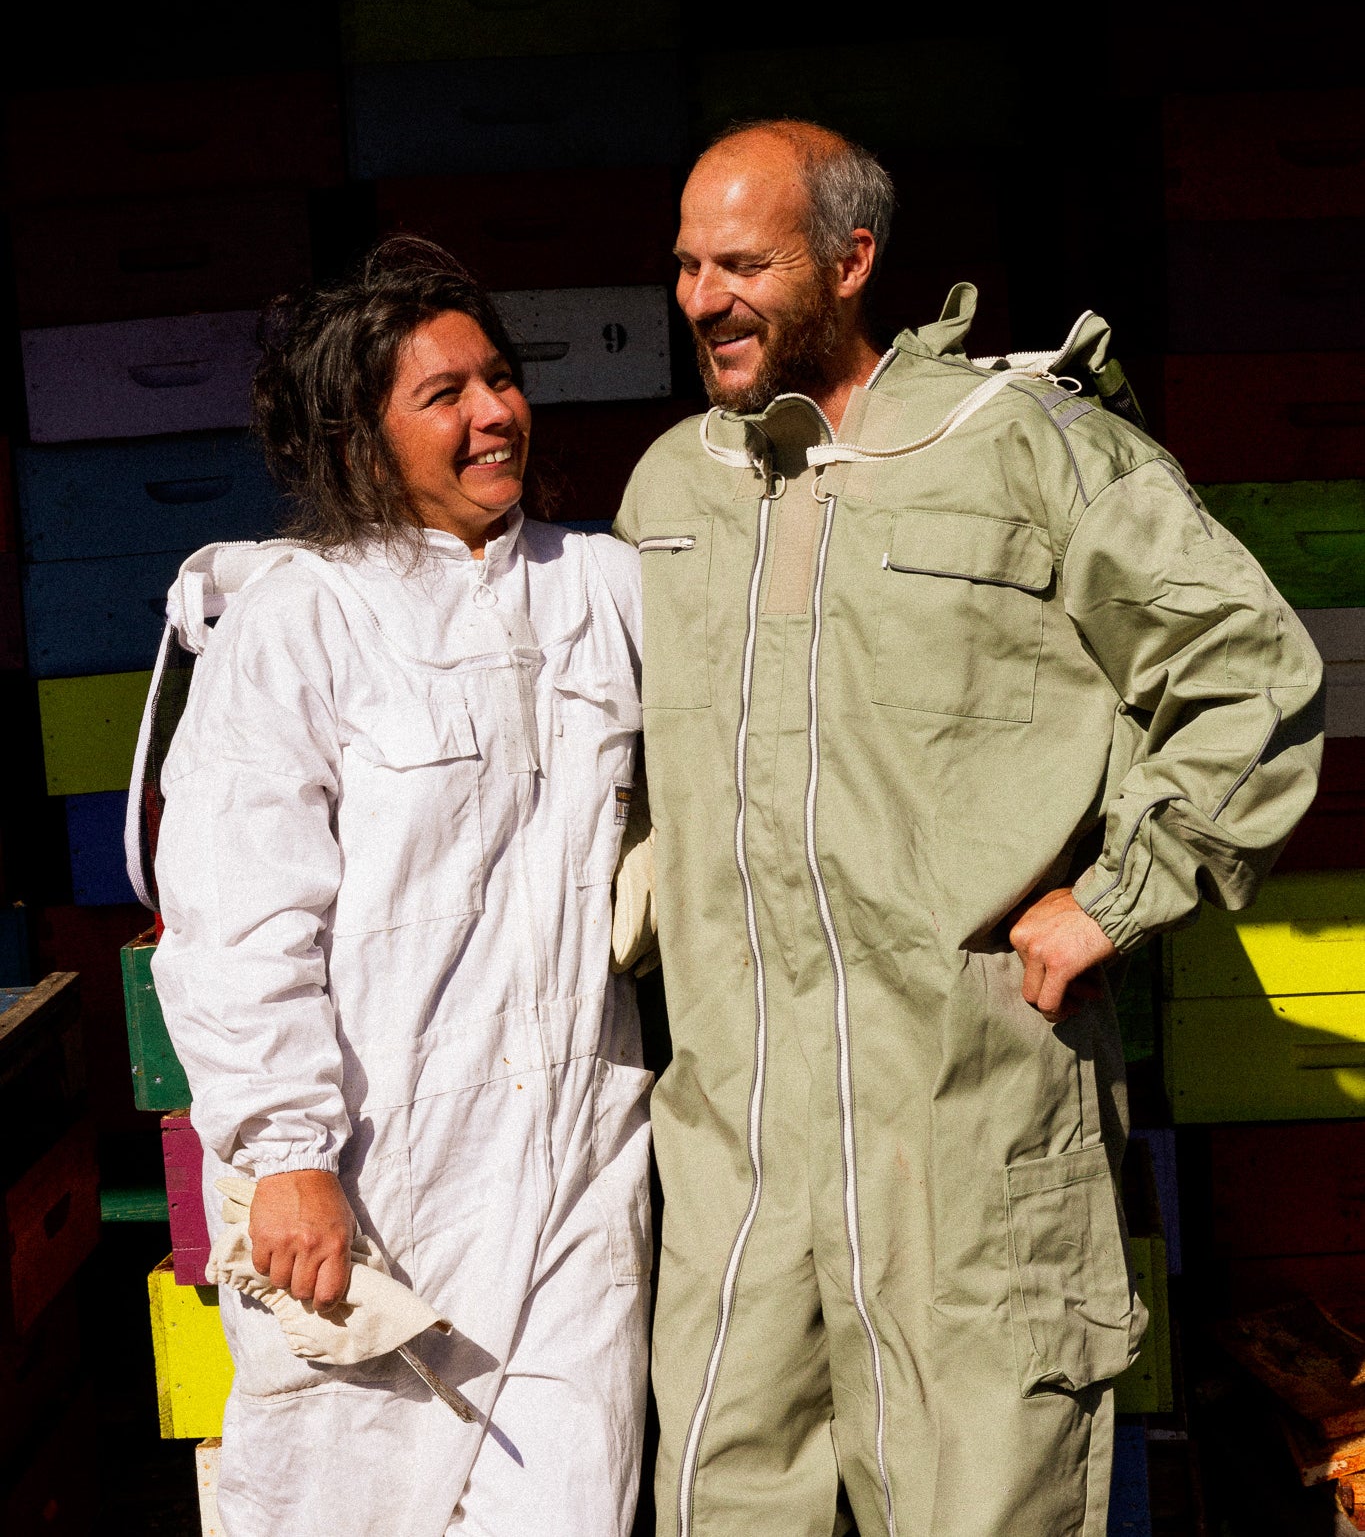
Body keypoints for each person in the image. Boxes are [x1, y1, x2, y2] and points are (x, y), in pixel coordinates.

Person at [613, 121, 1323, 1537]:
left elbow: (1249, 675)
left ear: (850, 260)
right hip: (738, 1153)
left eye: (743, 263)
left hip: (966, 1137)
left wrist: (1114, 896)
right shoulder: (671, 489)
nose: (703, 298)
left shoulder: (1027, 449)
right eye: (687, 265)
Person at [152, 238, 652, 1537]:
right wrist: (285, 1153)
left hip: (576, 1168)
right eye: (445, 394)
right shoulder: (301, 620)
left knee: (571, 1505)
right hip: (370, 1178)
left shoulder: (603, 587)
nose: (494, 412)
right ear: (359, 440)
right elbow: (236, 916)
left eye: (500, 378)